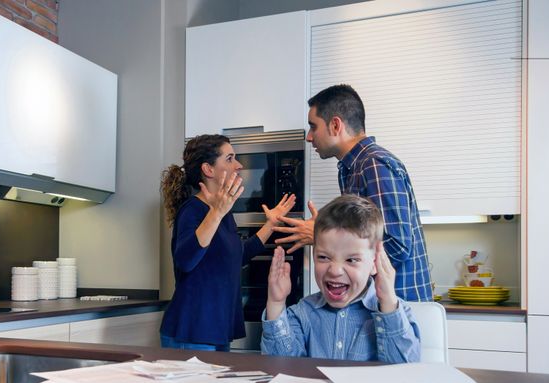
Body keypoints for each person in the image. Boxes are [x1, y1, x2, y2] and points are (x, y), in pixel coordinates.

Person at [274, 84, 433, 302]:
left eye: (313, 126)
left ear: (336, 125)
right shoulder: (351, 168)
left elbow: (396, 247)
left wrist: (326, 239)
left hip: (399, 305)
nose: (309, 137)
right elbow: (365, 234)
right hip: (379, 304)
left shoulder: (373, 165)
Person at [159, 134, 296, 351]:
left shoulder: (223, 214)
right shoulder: (192, 210)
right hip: (193, 331)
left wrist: (270, 224)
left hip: (216, 330)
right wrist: (217, 212)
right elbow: (185, 260)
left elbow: (237, 255)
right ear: (209, 169)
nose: (239, 165)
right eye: (230, 159)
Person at [261, 194, 421, 362]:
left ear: (375, 263)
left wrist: (387, 301)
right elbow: (281, 366)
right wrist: (276, 303)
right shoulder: (303, 312)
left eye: (351, 260)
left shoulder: (397, 312)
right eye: (323, 257)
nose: (335, 270)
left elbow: (404, 371)